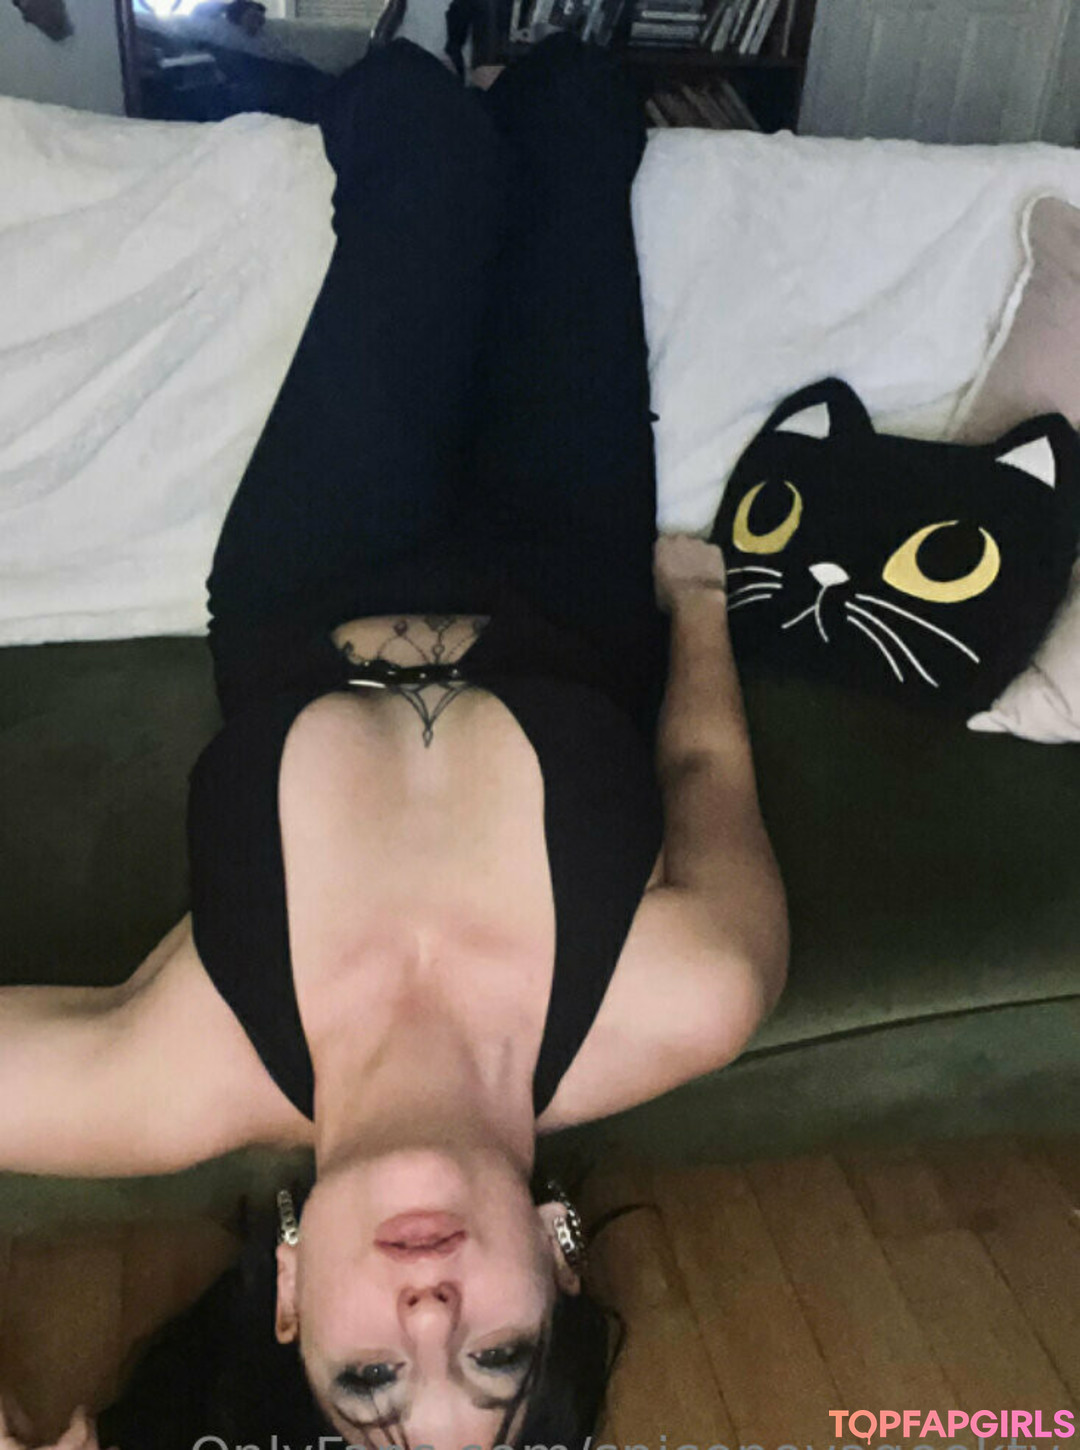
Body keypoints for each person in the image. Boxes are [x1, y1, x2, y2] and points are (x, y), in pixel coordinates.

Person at [0, 19, 788, 1450]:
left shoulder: (184, 1066)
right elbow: (702, 772)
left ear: (288, 1298)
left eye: (372, 1383)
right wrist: (699, 611)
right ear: (559, 1267)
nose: (429, 1317)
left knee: (423, 149)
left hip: (317, 577)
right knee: (576, 111)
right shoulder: (694, 993)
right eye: (496, 1358)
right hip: (569, 578)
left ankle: (357, 70)